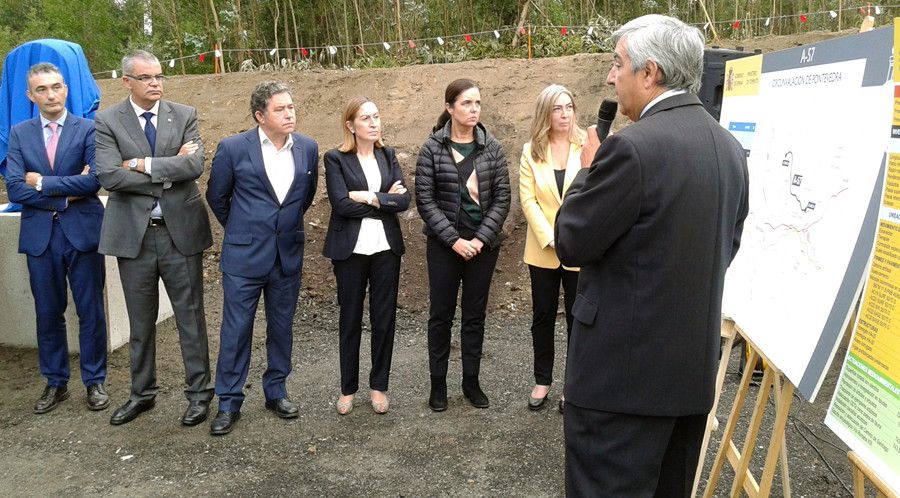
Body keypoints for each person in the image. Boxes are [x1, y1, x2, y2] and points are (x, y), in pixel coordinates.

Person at [554, 15, 749, 497]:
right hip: (688, 382)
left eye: (617, 63)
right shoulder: (729, 148)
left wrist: (587, 169)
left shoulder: (630, 149)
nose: (609, 76)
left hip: (620, 389)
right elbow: (728, 248)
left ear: (650, 72)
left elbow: (571, 241)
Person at [95, 50, 213, 427]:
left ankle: (199, 395)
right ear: (127, 81)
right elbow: (109, 177)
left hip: (180, 234)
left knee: (191, 319)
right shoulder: (107, 120)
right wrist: (169, 168)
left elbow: (194, 165)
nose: (156, 83)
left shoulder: (184, 113)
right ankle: (142, 394)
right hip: (135, 238)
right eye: (146, 78)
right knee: (140, 323)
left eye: (159, 76)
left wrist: (141, 164)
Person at [206, 81, 318, 435]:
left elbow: (304, 197)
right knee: (236, 330)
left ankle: (276, 390)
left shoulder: (308, 148)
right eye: (280, 109)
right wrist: (243, 230)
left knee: (281, 328)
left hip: (287, 254)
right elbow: (217, 197)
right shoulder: (233, 148)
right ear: (259, 115)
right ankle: (228, 401)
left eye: (291, 107)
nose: (289, 114)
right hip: (244, 258)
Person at [5, 63, 108, 414]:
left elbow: (94, 181)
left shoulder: (89, 129)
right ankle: (55, 381)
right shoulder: (19, 133)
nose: (51, 95)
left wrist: (43, 183)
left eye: (56, 87)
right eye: (42, 90)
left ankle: (94, 381)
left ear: (66, 89)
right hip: (40, 237)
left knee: (91, 309)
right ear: (30, 95)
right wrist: (66, 191)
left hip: (83, 234)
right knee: (47, 312)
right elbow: (15, 186)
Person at [415, 78, 510, 411]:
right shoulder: (432, 148)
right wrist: (455, 241)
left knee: (474, 316)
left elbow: (502, 199)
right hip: (444, 246)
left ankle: (471, 382)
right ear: (449, 107)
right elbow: (425, 201)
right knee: (441, 316)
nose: (474, 109)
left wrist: (481, 238)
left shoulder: (492, 147)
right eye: (467, 103)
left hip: (483, 246)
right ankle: (438, 385)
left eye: (478, 103)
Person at [323, 97, 410, 415]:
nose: (374, 123)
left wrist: (370, 196)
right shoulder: (335, 158)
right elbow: (340, 205)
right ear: (351, 125)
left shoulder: (388, 155)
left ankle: (379, 387)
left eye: (376, 116)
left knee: (384, 319)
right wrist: (385, 200)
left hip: (386, 249)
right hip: (350, 251)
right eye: (366, 118)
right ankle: (348, 389)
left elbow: (405, 202)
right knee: (350, 319)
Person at [519, 84, 584, 412]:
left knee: (579, 319)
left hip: (581, 249)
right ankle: (542, 380)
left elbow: (599, 193)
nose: (565, 114)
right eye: (557, 108)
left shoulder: (588, 145)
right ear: (546, 113)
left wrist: (575, 236)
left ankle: (573, 387)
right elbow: (528, 200)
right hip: (544, 250)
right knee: (542, 316)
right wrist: (552, 238)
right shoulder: (531, 150)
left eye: (569, 107)